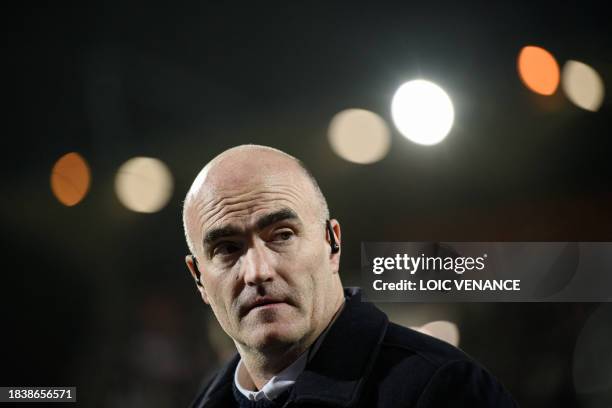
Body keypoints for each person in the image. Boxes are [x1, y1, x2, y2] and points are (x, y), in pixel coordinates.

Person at [182, 144, 517, 408]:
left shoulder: (443, 388)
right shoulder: (208, 400)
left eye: (282, 235)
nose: (258, 271)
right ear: (199, 279)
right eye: (227, 249)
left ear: (332, 244)